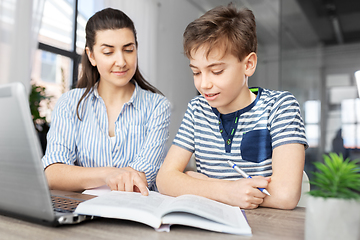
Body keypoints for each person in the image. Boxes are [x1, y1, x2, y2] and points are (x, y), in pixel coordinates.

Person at [156, 4, 308, 209]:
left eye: (216, 71)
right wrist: (228, 191)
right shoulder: (197, 109)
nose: (204, 84)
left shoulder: (280, 107)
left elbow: (285, 195)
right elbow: (165, 179)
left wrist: (202, 183)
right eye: (196, 72)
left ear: (248, 65)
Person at [42, 8, 171, 196]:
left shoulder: (157, 107)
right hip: (83, 211)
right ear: (92, 56)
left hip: (135, 215)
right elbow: (53, 174)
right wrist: (107, 174)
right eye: (108, 52)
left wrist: (80, 176)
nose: (121, 61)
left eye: (128, 50)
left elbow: (139, 179)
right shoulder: (70, 103)